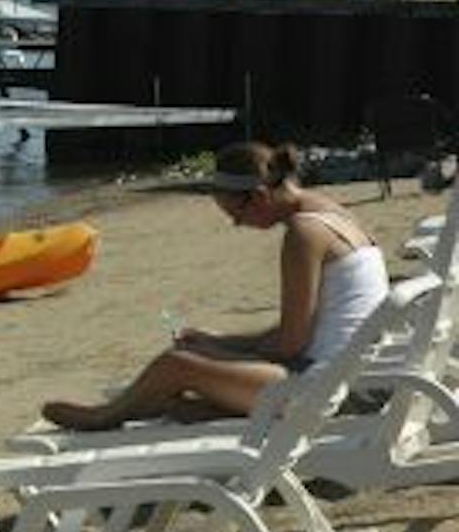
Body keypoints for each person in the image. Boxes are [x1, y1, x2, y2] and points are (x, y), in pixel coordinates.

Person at [40, 140, 388, 431]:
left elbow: (290, 345)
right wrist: (219, 341)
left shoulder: (304, 233)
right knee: (188, 382)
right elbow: (308, 327)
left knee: (176, 363)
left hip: (320, 388)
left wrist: (220, 352)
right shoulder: (336, 215)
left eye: (236, 215)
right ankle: (167, 405)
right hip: (349, 375)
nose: (238, 225)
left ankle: (103, 417)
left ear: (258, 197)